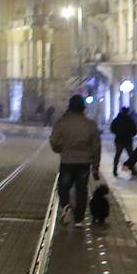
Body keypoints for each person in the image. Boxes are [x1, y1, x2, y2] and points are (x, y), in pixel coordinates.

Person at [49, 93, 102, 222]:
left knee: (63, 186)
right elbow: (96, 147)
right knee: (81, 190)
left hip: (67, 161)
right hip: (84, 163)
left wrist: (59, 149)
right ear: (84, 108)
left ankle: (66, 206)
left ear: (70, 107)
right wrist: (95, 166)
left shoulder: (62, 123)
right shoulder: (90, 125)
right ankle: (79, 219)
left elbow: (54, 140)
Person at [109, 104, 137, 177]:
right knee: (131, 155)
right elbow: (134, 130)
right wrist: (130, 134)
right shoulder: (130, 120)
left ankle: (115, 169)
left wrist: (118, 133)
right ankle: (133, 169)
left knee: (117, 155)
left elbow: (112, 128)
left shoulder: (117, 119)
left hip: (119, 139)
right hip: (128, 140)